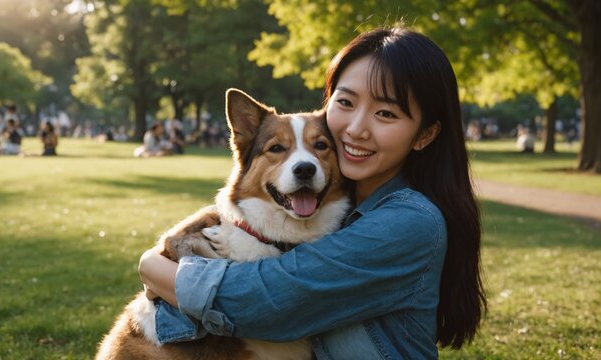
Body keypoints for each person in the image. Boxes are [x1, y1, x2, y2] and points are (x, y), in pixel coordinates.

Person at [139, 27, 486, 359]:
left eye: (385, 113)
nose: (355, 129)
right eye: (346, 103)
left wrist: (154, 266)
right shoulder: (346, 209)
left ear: (424, 134)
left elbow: (262, 303)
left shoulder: (408, 223)